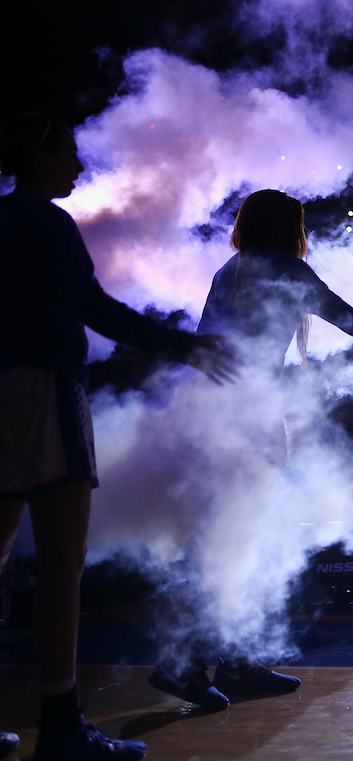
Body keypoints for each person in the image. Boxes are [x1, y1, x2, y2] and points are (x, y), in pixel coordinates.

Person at [148, 189, 353, 708]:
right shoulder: (284, 269)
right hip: (246, 413)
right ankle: (185, 663)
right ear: (290, 228)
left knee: (237, 534)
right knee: (236, 537)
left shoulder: (231, 269)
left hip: (213, 408)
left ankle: (230, 660)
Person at [0, 113, 236, 761]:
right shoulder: (44, 221)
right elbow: (92, 305)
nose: (76, 167)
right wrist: (180, 344)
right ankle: (62, 726)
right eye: (67, 153)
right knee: (60, 565)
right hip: (42, 385)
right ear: (38, 156)